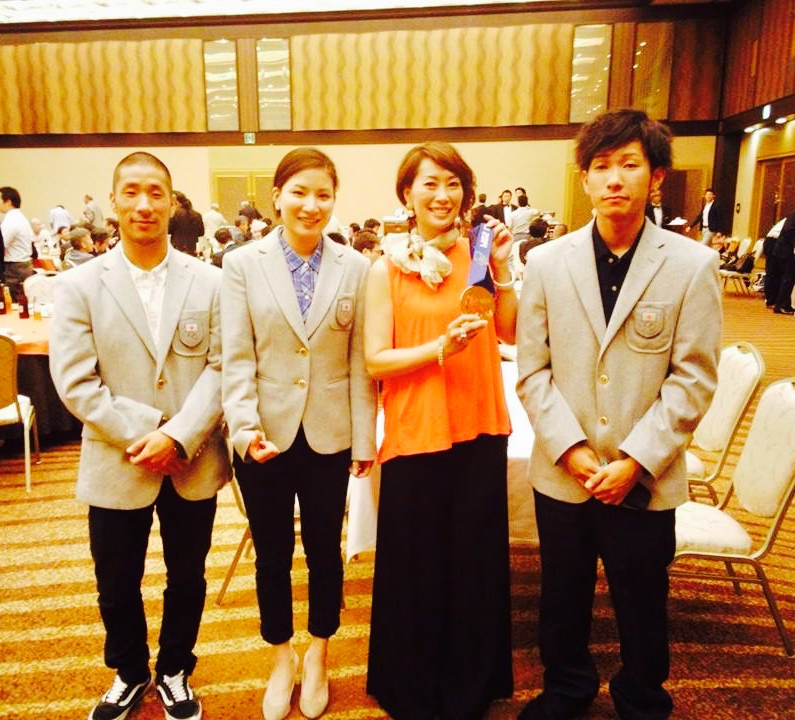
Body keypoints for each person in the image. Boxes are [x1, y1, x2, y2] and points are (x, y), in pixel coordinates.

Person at [515, 109, 722, 720]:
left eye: (629, 164)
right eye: (601, 166)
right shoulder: (547, 263)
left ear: (655, 177)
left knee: (642, 597)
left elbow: (694, 377)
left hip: (644, 477)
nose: (613, 179)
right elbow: (532, 370)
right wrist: (570, 449)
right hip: (565, 473)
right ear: (584, 178)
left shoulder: (691, 265)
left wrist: (635, 459)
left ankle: (641, 696)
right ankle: (567, 688)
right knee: (562, 594)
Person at [49, 151, 230, 720]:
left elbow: (223, 367)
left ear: (172, 202)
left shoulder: (211, 281)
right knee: (115, 579)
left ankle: (175, 668)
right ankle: (129, 672)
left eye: (156, 192)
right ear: (113, 201)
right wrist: (150, 431)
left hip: (191, 458)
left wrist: (179, 437)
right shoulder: (79, 286)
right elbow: (76, 382)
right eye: (131, 191)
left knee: (188, 575)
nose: (144, 204)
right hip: (116, 456)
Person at [220, 147, 376, 720]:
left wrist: (364, 440)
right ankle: (281, 655)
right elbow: (236, 357)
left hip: (330, 434)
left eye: (323, 194)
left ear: (335, 201)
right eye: (300, 192)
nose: (312, 205)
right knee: (272, 554)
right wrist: (244, 430)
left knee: (324, 551)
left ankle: (318, 653)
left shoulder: (356, 267)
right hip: (263, 434)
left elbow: (359, 363)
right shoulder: (242, 264)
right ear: (277, 196)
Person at [364, 141, 516, 720]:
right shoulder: (387, 268)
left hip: (479, 422)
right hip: (416, 427)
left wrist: (504, 270)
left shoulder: (478, 256)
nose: (442, 194)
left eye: (453, 183)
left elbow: (509, 332)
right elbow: (376, 360)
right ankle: (413, 686)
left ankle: (472, 685)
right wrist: (437, 349)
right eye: (429, 183)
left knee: (474, 561)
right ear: (407, 194)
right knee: (417, 565)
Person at [0, 186, 36, 297]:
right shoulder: (21, 217)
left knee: (13, 300)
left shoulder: (11, 220)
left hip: (14, 268)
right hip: (24, 265)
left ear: (8, 202)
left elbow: (1, 246)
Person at [169, 191, 205, 257]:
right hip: (192, 249)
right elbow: (201, 233)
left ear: (177, 203)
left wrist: (171, 214)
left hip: (178, 249)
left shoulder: (176, 214)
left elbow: (168, 230)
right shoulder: (197, 215)